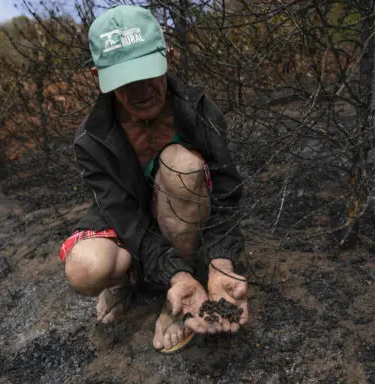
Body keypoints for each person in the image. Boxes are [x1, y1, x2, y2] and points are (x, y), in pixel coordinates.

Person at [59, 4, 248, 354]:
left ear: (169, 56)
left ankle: (174, 298)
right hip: (130, 215)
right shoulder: (92, 138)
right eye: (125, 80)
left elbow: (225, 189)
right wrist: (172, 272)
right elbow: (123, 216)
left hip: (185, 208)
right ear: (102, 79)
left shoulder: (197, 110)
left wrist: (220, 260)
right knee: (86, 268)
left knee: (180, 165)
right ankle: (131, 279)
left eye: (148, 72)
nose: (141, 90)